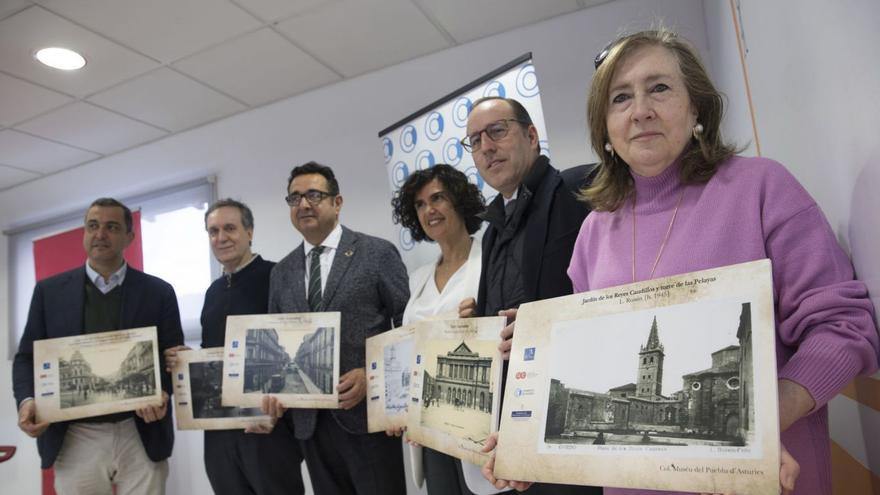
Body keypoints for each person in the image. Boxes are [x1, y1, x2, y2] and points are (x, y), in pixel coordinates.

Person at [495, 28, 880, 495]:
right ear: (606, 130)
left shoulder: (762, 188)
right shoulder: (594, 232)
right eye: (620, 98)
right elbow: (596, 358)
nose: (641, 111)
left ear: (696, 107)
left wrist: (759, 421)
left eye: (659, 87)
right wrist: (529, 423)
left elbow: (844, 325)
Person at [458, 97, 599, 495]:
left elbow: (618, 290)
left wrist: (547, 326)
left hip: (575, 411)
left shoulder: (581, 189)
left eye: (497, 131)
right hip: (517, 423)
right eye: (474, 140)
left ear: (532, 135)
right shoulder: (489, 232)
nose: (485, 146)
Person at [13, 198, 183, 495]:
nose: (100, 234)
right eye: (93, 226)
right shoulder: (48, 292)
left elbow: (172, 356)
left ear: (129, 237)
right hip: (75, 433)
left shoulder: (159, 292)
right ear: (83, 233)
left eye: (111, 227)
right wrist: (28, 400)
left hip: (139, 431)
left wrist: (163, 392)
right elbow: (26, 357)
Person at [264, 161, 409, 495]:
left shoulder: (376, 253)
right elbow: (275, 341)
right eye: (294, 198)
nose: (303, 204)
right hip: (309, 424)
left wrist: (372, 374)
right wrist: (272, 387)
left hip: (366, 416)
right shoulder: (281, 272)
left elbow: (406, 325)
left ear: (337, 202)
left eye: (314, 195)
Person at [163, 198, 305, 495]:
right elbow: (213, 355)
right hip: (219, 429)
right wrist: (190, 361)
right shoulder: (212, 292)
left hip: (269, 428)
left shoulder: (277, 276)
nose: (221, 237)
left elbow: (297, 347)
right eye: (213, 231)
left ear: (250, 232)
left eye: (230, 228)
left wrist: (278, 412)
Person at [391, 164, 502, 495]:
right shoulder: (418, 278)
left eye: (437, 198)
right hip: (430, 431)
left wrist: (484, 319)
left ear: (459, 202)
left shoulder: (490, 260)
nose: (429, 210)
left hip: (477, 427)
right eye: (420, 204)